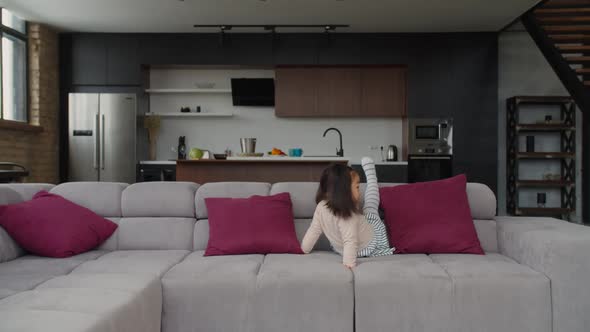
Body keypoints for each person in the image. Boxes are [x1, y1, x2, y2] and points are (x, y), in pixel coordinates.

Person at [301, 157, 395, 268]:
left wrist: (304, 249)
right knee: (370, 208)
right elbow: (350, 241)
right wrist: (349, 264)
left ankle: (372, 179)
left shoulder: (321, 207)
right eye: (357, 187)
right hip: (368, 245)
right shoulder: (348, 215)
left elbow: (314, 230)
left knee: (364, 212)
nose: (359, 191)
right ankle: (371, 178)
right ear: (343, 190)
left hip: (347, 247)